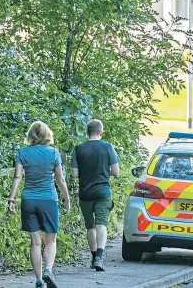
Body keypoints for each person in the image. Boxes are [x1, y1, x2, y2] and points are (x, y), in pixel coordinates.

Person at [8, 121, 70, 288]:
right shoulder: (53, 153)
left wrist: (11, 199)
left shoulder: (22, 153)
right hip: (49, 200)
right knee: (50, 240)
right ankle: (48, 269)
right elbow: (60, 179)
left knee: (35, 242)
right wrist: (66, 199)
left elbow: (17, 177)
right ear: (47, 135)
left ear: (30, 135)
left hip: (29, 200)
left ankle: (39, 280)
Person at [71, 119, 119, 272]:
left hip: (85, 193)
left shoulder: (78, 149)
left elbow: (75, 174)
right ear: (101, 133)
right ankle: (99, 256)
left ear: (87, 133)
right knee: (101, 224)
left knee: (90, 226)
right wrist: (104, 173)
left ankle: (93, 257)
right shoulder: (107, 147)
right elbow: (116, 172)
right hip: (103, 192)